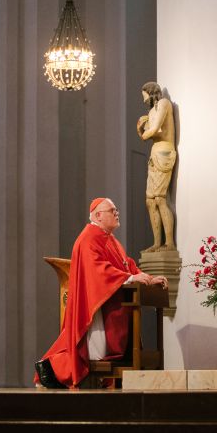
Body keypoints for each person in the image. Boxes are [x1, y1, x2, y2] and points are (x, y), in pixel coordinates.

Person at [35, 197, 168, 389]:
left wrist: (146, 277)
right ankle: (51, 372)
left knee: (99, 354)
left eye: (116, 210)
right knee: (92, 354)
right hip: (97, 309)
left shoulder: (109, 239)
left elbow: (127, 265)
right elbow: (98, 270)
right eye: (112, 210)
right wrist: (130, 278)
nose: (117, 213)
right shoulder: (88, 238)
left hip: (111, 305)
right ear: (98, 216)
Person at [136, 82, 177, 252]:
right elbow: (152, 132)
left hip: (164, 153)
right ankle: (156, 243)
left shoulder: (164, 104)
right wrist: (143, 130)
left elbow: (153, 130)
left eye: (143, 93)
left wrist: (141, 131)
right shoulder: (152, 111)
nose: (143, 97)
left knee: (160, 198)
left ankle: (169, 243)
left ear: (150, 91)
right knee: (150, 201)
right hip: (155, 153)